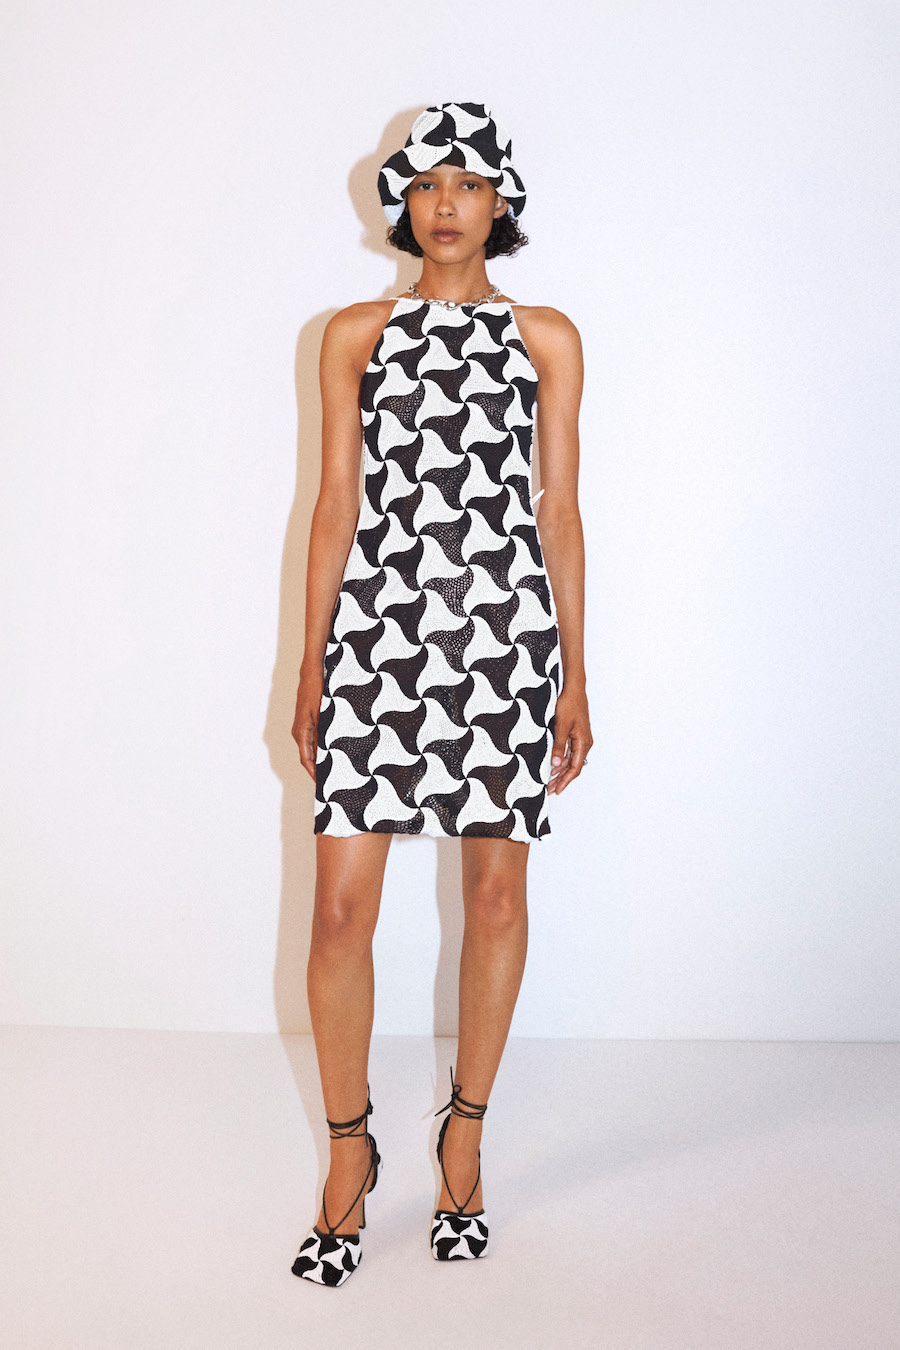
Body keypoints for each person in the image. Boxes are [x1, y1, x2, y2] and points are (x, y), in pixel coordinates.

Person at [290, 102, 591, 1286]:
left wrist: (576, 671)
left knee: (497, 900)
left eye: (468, 183)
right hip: (380, 641)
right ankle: (349, 1155)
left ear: (500, 201)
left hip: (505, 643)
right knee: (338, 913)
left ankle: (464, 1139)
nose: (446, 204)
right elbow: (334, 504)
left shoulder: (546, 338)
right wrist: (311, 662)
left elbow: (559, 513)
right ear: (401, 205)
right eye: (425, 185)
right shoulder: (355, 334)